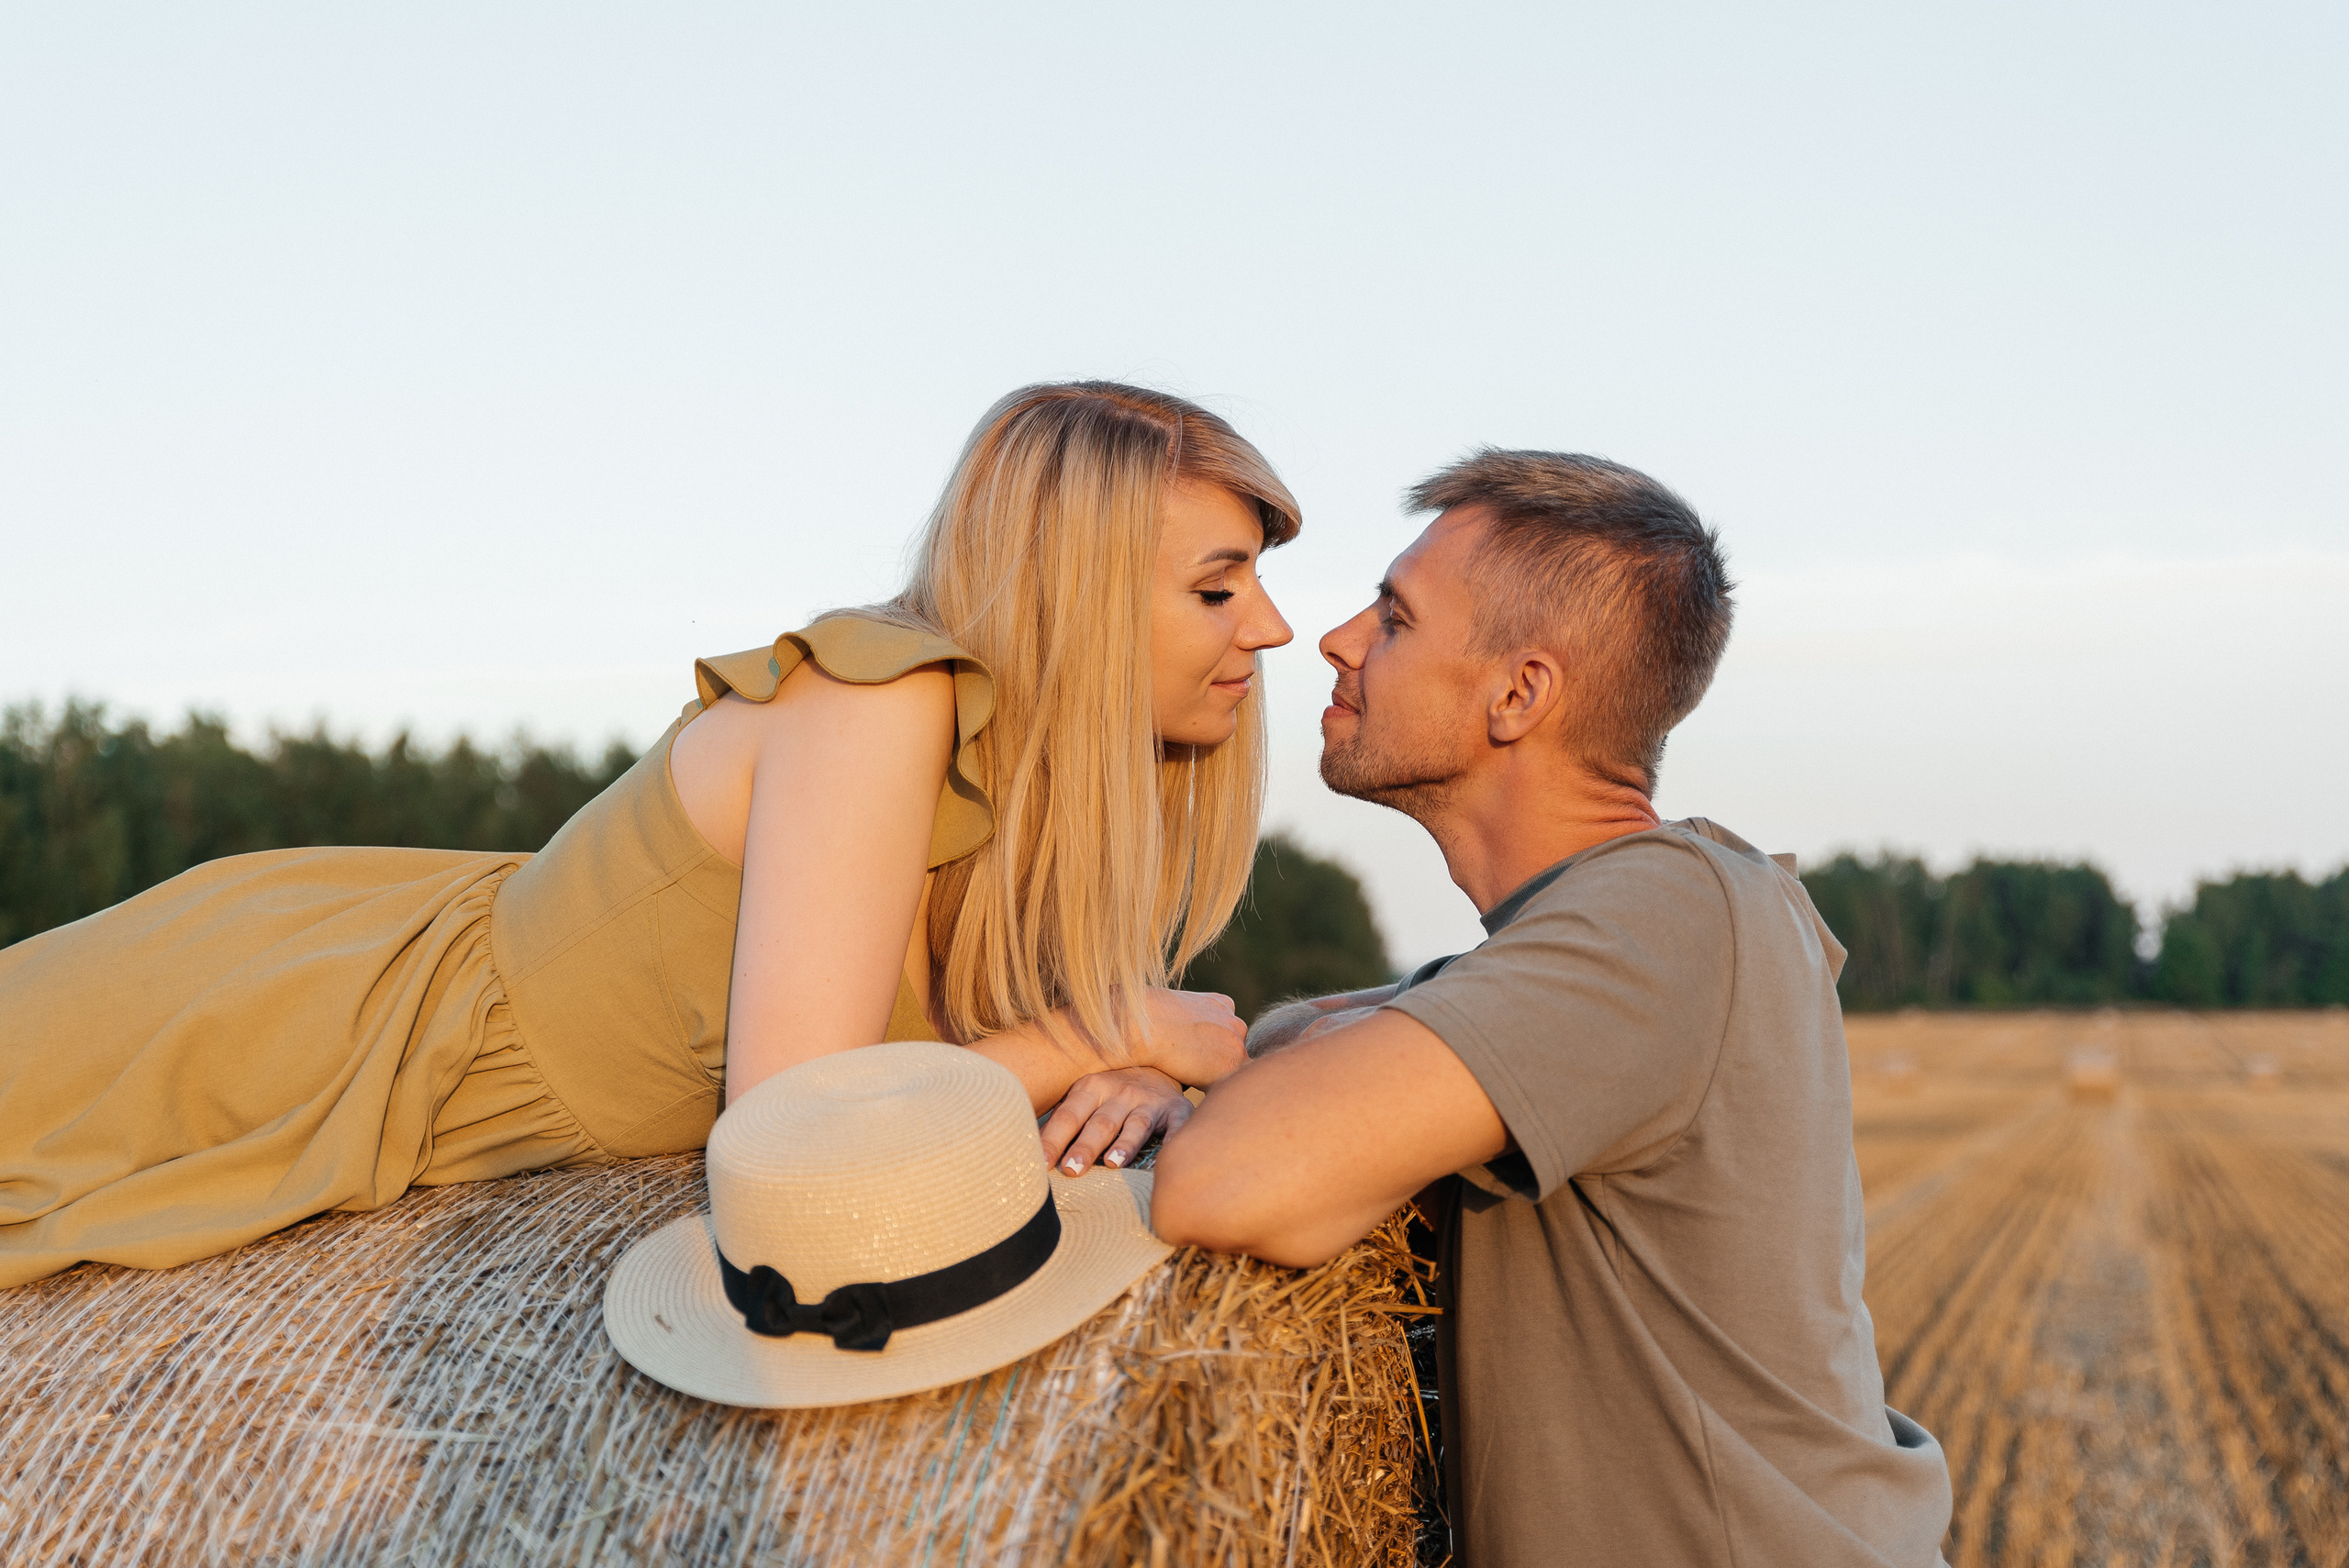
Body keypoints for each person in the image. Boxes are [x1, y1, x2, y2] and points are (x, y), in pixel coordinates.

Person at [0, 381, 1284, 1290]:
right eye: (1219, 586)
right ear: (1080, 591)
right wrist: (1106, 1031)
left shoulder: (1028, 820)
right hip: (301, 1031)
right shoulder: (883, 699)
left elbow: (956, 1076)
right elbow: (789, 1130)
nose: (1272, 628)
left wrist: (1117, 1080)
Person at [1150, 450, 1954, 1567]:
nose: (1334, 638)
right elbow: (1294, 1045)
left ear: (1517, 694)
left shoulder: (1668, 914)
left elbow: (1227, 1177)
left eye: (1393, 615)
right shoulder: (1625, 928)